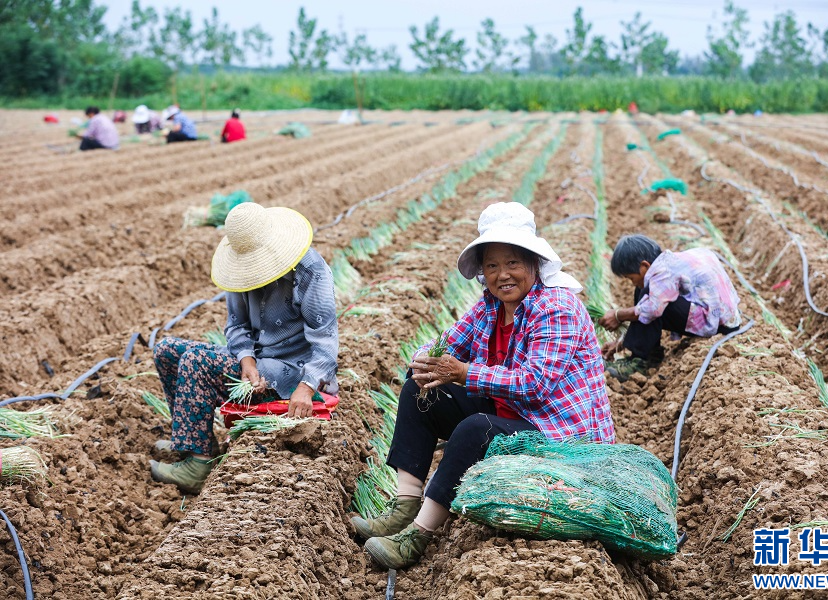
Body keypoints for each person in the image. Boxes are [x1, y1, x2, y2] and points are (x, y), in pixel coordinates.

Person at [352, 202, 615, 570]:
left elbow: (534, 385)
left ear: (533, 264)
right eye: (492, 265)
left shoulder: (557, 307)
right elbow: (448, 342)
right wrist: (426, 362)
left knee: (476, 429)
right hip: (513, 412)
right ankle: (403, 507)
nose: (502, 274)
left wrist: (462, 372)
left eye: (512, 263)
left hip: (558, 431)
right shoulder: (490, 305)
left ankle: (418, 536)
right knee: (420, 392)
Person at [149, 202, 339, 495]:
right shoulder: (241, 273)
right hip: (258, 364)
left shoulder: (309, 270)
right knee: (167, 350)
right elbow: (236, 324)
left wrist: (307, 385)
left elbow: (325, 337)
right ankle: (190, 441)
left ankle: (197, 466)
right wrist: (247, 362)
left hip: (290, 372)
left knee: (197, 361)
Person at [598, 234, 741, 381]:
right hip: (727, 318)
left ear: (644, 266)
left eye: (630, 278)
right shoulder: (672, 261)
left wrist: (618, 315)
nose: (632, 283)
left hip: (716, 324)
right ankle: (650, 354)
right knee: (645, 291)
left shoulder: (663, 273)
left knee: (647, 293)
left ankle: (641, 362)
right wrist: (622, 341)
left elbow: (651, 309)